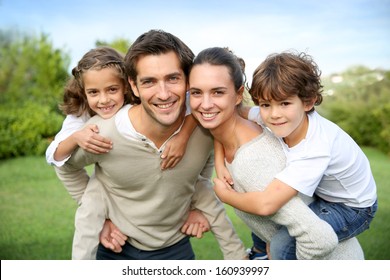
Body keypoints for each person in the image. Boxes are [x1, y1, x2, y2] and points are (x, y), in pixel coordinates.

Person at [54, 30, 247, 260]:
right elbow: (65, 166)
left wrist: (197, 209)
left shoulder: (206, 125)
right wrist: (101, 216)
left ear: (188, 81)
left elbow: (201, 168)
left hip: (175, 248)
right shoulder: (102, 133)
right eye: (149, 82)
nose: (163, 94)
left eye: (173, 78)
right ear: (133, 87)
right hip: (115, 248)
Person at [216, 50, 378, 259]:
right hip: (325, 192)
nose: (274, 114)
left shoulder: (314, 149)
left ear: (308, 102)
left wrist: (226, 196)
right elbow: (230, 117)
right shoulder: (275, 116)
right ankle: (259, 252)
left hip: (352, 207)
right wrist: (220, 162)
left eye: (285, 103)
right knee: (274, 217)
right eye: (265, 104)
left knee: (282, 244)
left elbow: (267, 204)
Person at [189, 46, 341, 260]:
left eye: (218, 92)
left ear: (238, 95)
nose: (205, 104)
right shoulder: (242, 128)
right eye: (196, 92)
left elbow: (319, 239)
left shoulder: (253, 159)